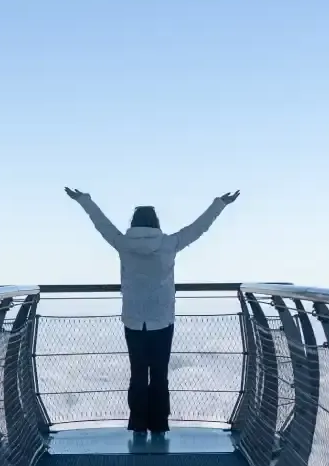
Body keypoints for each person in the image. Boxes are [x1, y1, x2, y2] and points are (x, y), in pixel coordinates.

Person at [65, 187, 240, 436]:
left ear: (133, 224)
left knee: (138, 374)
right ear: (155, 223)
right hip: (162, 320)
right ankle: (158, 424)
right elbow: (198, 228)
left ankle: (138, 425)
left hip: (134, 320)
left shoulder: (123, 244)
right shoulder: (169, 243)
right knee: (159, 374)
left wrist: (84, 200)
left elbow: (101, 223)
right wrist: (219, 204)